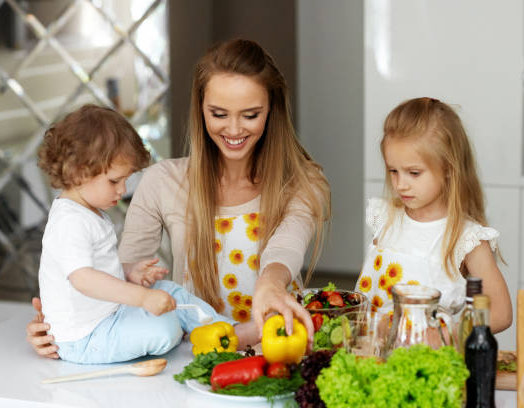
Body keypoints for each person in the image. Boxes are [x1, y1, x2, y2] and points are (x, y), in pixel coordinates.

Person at [27, 39, 331, 358]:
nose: (234, 128)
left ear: (272, 110)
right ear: (201, 109)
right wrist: (67, 325)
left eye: (251, 114)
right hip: (195, 354)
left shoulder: (304, 181)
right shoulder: (163, 181)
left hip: (283, 344)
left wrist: (270, 283)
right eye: (218, 113)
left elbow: (286, 245)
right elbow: (127, 276)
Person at [35, 104, 252, 363]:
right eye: (114, 181)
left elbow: (96, 267)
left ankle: (230, 332)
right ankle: (194, 330)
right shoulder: (69, 221)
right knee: (164, 329)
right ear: (78, 172)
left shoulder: (88, 211)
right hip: (85, 337)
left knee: (171, 291)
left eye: (125, 180)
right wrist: (142, 297)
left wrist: (127, 271)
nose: (122, 189)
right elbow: (83, 279)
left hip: (109, 316)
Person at [356, 97, 512, 333]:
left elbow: (501, 313)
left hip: (426, 362)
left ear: (449, 169)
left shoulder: (466, 238)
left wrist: (446, 336)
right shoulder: (385, 217)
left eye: (414, 173)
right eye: (393, 171)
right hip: (371, 356)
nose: (400, 184)